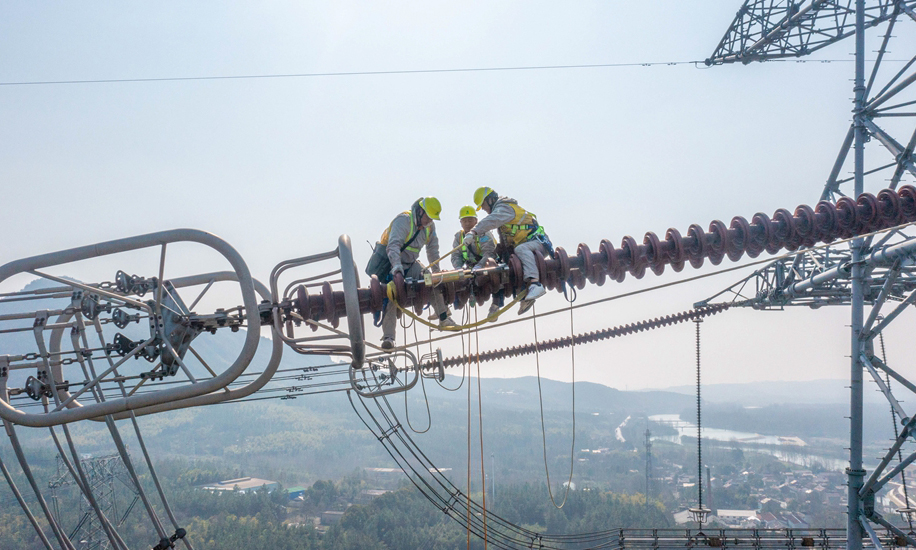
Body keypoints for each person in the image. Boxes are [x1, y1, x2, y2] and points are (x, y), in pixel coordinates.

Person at [379, 197, 455, 350]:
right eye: (427, 217)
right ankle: (389, 338)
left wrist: (436, 273)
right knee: (391, 293)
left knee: (429, 279)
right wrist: (397, 269)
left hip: (410, 264)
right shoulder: (404, 221)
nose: (429, 221)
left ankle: (443, 318)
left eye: (432, 219)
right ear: (420, 212)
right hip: (391, 264)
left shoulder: (429, 227)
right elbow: (393, 246)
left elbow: (432, 250)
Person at [464, 187, 551, 314]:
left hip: (538, 244)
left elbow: (492, 220)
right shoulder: (502, 215)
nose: (483, 208)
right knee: (506, 263)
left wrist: (474, 231)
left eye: (483, 204)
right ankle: (521, 296)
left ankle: (535, 283)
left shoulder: (505, 208)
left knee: (520, 249)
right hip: (526, 249)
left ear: (490, 200)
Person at [450, 206, 504, 319]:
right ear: (460, 222)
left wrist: (480, 265)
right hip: (471, 267)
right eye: (465, 220)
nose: (467, 223)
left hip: (487, 264)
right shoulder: (459, 237)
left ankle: (496, 304)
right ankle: (450, 306)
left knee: (495, 276)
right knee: (457, 283)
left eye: (470, 220)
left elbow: (489, 252)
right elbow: (456, 255)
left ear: (476, 221)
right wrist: (458, 267)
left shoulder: (483, 233)